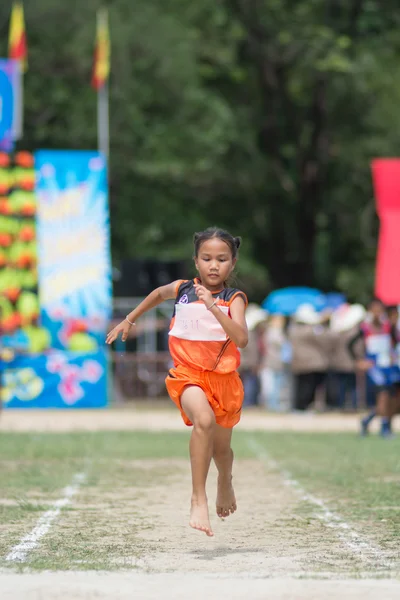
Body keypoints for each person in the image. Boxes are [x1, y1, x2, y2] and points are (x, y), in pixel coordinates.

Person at [106, 227, 248, 537]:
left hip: (224, 381)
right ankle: (198, 498)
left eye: (222, 259)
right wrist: (130, 319)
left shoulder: (233, 298)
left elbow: (242, 338)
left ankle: (225, 480)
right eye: (207, 258)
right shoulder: (183, 289)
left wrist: (212, 305)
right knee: (203, 421)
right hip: (187, 375)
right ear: (196, 261)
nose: (214, 265)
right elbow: (158, 294)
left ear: (232, 263)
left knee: (222, 451)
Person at [349, 298, 394, 437]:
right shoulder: (365, 328)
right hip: (374, 366)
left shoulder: (388, 327)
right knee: (383, 394)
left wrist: (393, 355)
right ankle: (385, 427)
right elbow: (349, 345)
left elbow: (394, 342)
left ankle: (367, 420)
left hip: (387, 365)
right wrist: (359, 361)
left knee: (390, 397)